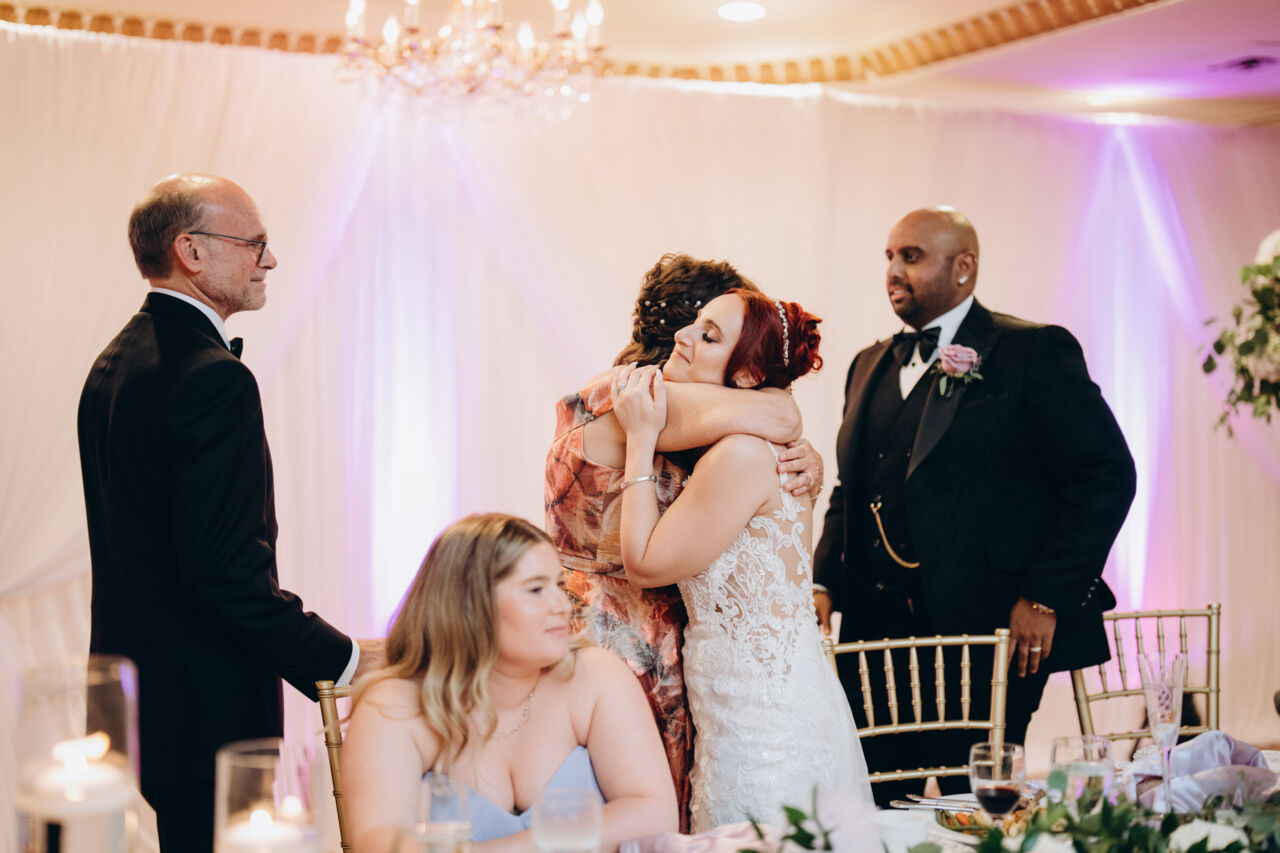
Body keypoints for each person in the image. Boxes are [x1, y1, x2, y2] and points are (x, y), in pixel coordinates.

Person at [78, 174, 376, 851]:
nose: (270, 260)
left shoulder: (114, 363)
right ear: (191, 250)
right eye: (254, 244)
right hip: (205, 712)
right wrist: (346, 662)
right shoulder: (213, 378)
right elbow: (224, 575)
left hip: (142, 704)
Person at [812, 206, 1136, 804]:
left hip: (988, 631)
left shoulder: (1033, 350)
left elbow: (1105, 474)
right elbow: (850, 490)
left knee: (978, 802)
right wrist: (824, 580)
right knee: (875, 800)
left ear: (963, 267)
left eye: (912, 256)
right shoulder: (866, 364)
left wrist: (1045, 595)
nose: (893, 270)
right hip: (875, 636)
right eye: (889, 256)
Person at [545, 254, 823, 829]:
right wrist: (782, 403)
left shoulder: (695, 420)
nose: (691, 339)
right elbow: (780, 415)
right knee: (620, 812)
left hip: (679, 646)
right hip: (614, 638)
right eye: (704, 325)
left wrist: (806, 470)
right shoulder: (634, 395)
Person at [611, 289, 873, 831]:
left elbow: (644, 563)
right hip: (762, 706)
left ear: (750, 376)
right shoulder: (755, 444)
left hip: (764, 728)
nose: (684, 336)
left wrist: (639, 441)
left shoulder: (741, 454)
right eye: (695, 324)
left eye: (708, 336)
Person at [342, 514, 678, 853]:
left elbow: (654, 814)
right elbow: (377, 841)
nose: (563, 606)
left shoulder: (595, 676)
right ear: (469, 605)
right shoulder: (394, 705)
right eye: (536, 590)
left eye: (559, 586)